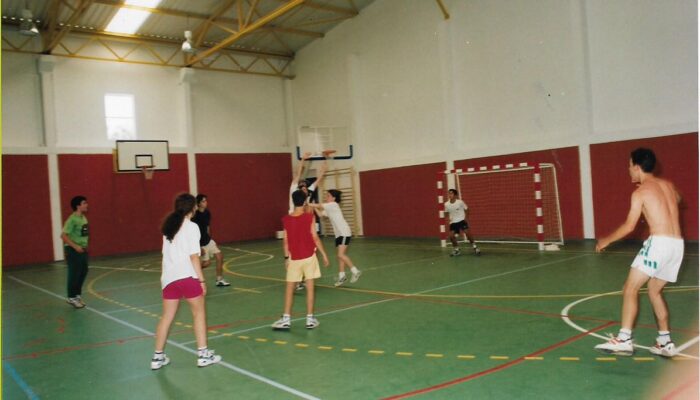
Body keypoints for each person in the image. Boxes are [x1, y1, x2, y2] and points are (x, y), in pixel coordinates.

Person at [594, 148, 684, 358]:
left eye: (629, 165)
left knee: (630, 288)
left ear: (636, 166)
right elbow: (678, 198)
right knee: (654, 291)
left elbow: (629, 226)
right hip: (677, 246)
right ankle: (665, 341)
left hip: (659, 243)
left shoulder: (641, 192)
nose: (628, 170)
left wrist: (606, 240)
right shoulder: (667, 186)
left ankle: (624, 339)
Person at [151, 193, 222, 370]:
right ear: (193, 207)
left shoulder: (169, 228)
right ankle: (203, 355)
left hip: (169, 278)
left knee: (167, 317)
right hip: (187, 276)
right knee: (198, 313)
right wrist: (201, 280)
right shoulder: (192, 227)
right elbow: (193, 257)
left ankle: (157, 357)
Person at [271, 190, 330, 330]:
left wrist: (286, 257)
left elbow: (285, 241)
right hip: (309, 258)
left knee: (289, 289)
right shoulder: (309, 217)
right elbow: (315, 238)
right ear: (304, 202)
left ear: (293, 201)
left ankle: (286, 319)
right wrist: (324, 254)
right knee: (310, 288)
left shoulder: (286, 219)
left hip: (294, 259)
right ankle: (310, 319)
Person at [289, 152, 329, 291]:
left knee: (310, 249)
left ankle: (304, 278)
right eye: (302, 186)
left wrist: (324, 166)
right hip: (294, 222)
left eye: (305, 187)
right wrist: (303, 160)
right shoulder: (294, 191)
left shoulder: (308, 193)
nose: (304, 188)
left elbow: (318, 180)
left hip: (305, 223)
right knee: (295, 252)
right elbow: (297, 174)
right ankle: (296, 280)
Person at [310, 189, 361, 286]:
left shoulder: (333, 205)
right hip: (338, 234)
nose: (326, 197)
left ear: (334, 198)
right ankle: (342, 276)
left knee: (341, 255)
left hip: (344, 232)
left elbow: (319, 205)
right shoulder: (329, 208)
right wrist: (313, 206)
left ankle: (355, 271)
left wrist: (309, 204)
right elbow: (320, 214)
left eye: (328, 196)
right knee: (340, 255)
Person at [192, 194, 230, 287]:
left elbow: (207, 227)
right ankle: (191, 273)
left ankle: (219, 280)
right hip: (200, 243)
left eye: (206, 201)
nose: (206, 203)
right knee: (206, 263)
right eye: (203, 201)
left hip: (208, 240)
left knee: (219, 256)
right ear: (199, 203)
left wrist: (210, 238)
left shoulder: (207, 213)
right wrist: (198, 247)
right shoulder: (194, 216)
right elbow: (192, 233)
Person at [62, 195, 90, 309]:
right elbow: (63, 236)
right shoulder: (72, 219)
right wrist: (75, 246)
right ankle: (71, 297)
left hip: (82, 250)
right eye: (84, 203)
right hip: (73, 250)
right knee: (74, 274)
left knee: (83, 272)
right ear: (78, 206)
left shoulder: (83, 218)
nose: (87, 205)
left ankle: (77, 296)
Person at [444, 189, 481, 256]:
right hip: (453, 222)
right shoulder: (446, 204)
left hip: (461, 220)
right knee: (451, 236)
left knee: (467, 233)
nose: (450, 195)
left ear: (455, 195)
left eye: (451, 193)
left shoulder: (460, 202)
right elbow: (446, 212)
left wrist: (466, 218)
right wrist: (447, 219)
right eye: (449, 193)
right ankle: (456, 250)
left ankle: (475, 247)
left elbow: (467, 209)